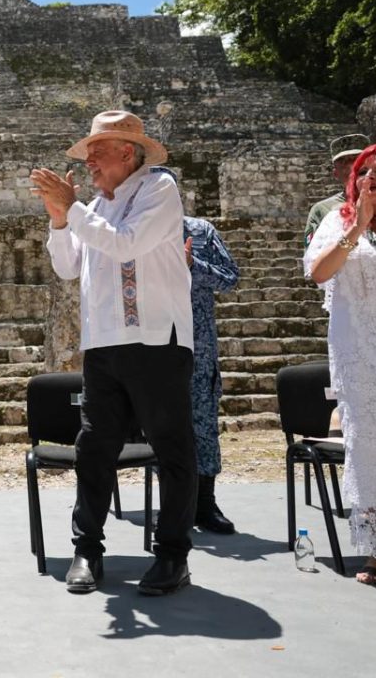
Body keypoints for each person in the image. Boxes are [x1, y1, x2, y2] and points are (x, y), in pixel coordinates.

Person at [31, 110, 196, 596]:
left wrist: (74, 208)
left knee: (172, 448)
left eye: (96, 153)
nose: (88, 164)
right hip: (103, 343)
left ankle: (172, 556)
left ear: (128, 152)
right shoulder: (96, 206)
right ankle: (87, 550)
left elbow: (126, 246)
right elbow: (66, 267)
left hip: (155, 340)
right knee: (94, 447)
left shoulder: (158, 189)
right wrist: (61, 220)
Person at [304, 143, 376, 585]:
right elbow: (319, 272)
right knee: (369, 450)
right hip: (360, 357)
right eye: (364, 170)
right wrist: (359, 228)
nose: (370, 177)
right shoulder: (341, 220)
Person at [151, 167, 241, 534]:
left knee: (203, 427)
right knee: (158, 429)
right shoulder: (131, 235)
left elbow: (231, 279)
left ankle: (205, 504)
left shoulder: (201, 231)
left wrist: (192, 263)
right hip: (151, 348)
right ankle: (170, 505)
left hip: (198, 349)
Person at [304, 134, 367, 247]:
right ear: (335, 173)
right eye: (344, 161)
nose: (351, 164)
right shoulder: (322, 210)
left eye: (357, 158)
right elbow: (312, 257)